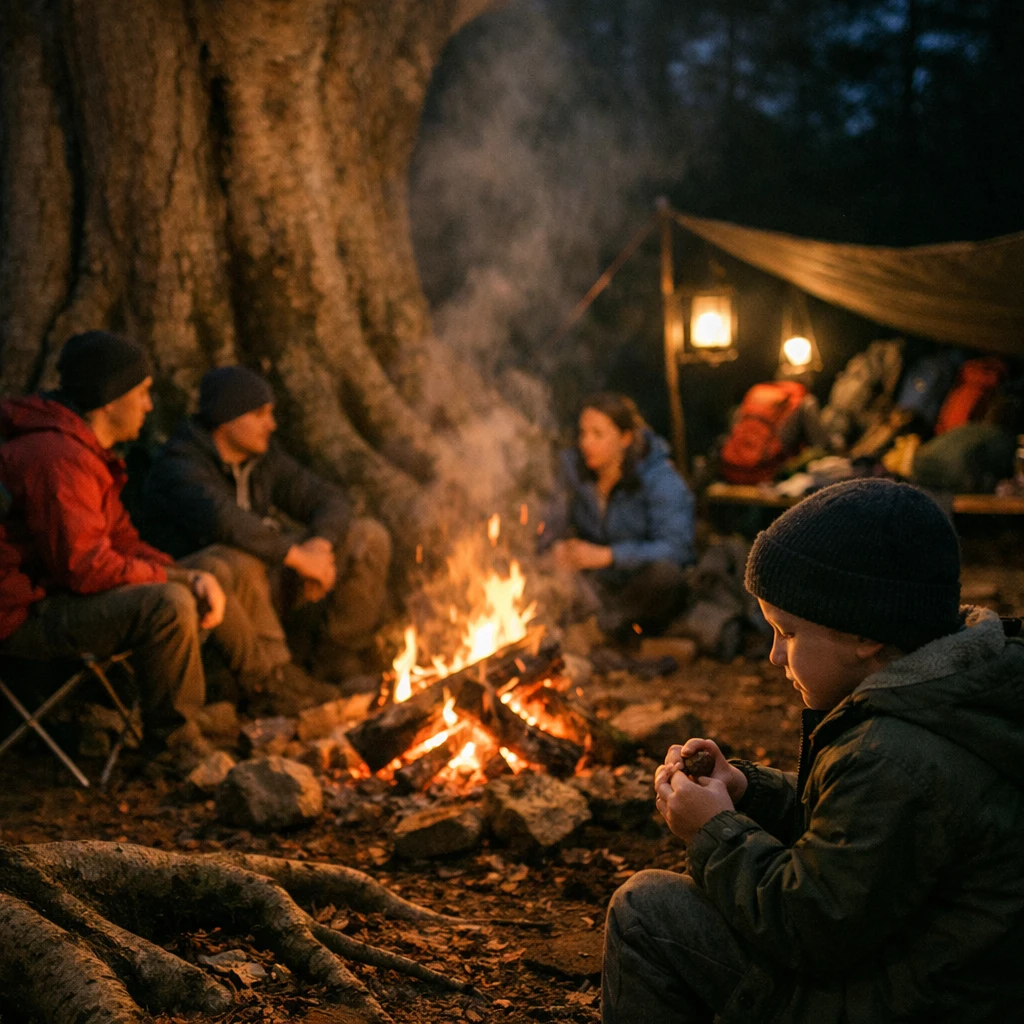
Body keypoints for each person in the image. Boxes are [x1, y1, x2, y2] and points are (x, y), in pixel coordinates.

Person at [602, 478, 1024, 1024]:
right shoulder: (952, 691)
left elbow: (807, 925)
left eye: (787, 633)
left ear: (864, 635)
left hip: (912, 1001)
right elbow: (854, 844)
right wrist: (746, 791)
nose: (775, 656)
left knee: (646, 914)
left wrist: (715, 832)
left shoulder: (892, 753)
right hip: (942, 974)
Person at [0, 331, 293, 747]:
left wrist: (184, 573)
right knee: (167, 604)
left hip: (54, 597)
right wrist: (174, 582)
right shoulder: (57, 459)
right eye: (141, 393)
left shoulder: (82, 452)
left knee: (212, 568)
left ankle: (267, 686)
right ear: (109, 399)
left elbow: (121, 540)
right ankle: (175, 745)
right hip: (22, 617)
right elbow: (86, 568)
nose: (149, 405)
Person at [142, 365, 391, 681]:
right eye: (259, 414)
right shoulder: (179, 465)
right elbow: (227, 523)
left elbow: (327, 498)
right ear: (227, 417)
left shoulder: (262, 459)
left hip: (270, 580)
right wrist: (301, 559)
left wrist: (319, 545)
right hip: (216, 598)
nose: (271, 424)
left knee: (367, 537)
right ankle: (277, 679)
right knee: (239, 560)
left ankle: (336, 658)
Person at [538, 392, 695, 642]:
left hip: (638, 585)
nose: (586, 443)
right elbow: (549, 521)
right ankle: (596, 635)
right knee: (544, 569)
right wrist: (556, 547)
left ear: (625, 438)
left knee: (665, 576)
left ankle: (601, 632)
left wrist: (608, 556)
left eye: (597, 434)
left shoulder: (660, 479)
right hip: (597, 586)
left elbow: (677, 548)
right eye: (582, 433)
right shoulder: (574, 470)